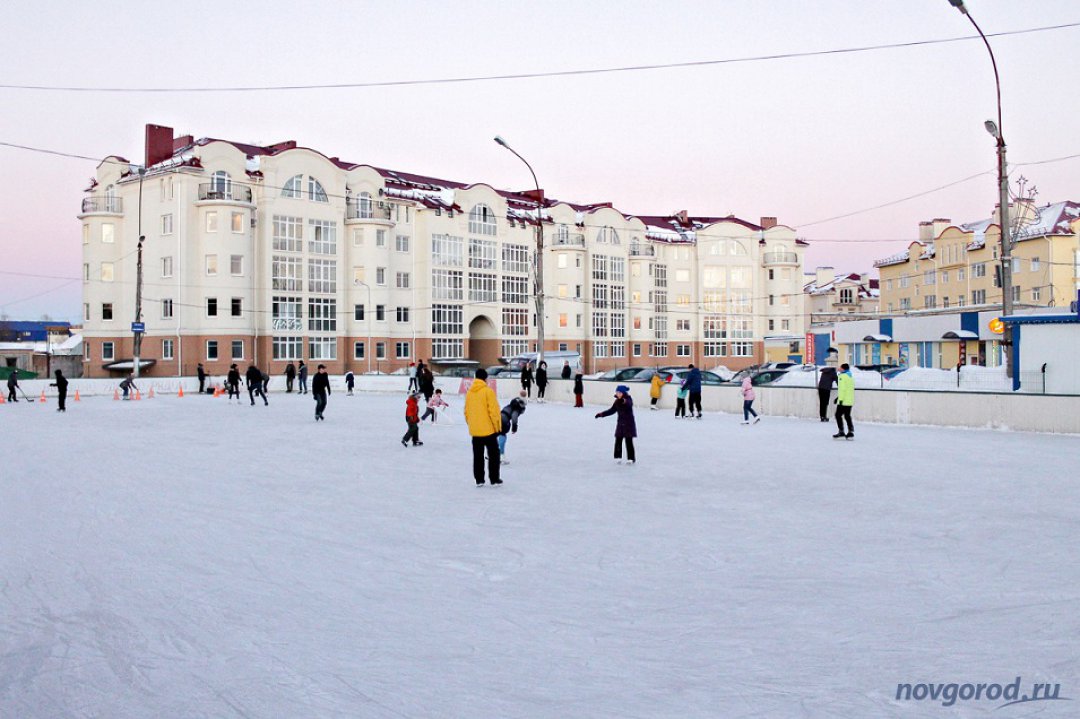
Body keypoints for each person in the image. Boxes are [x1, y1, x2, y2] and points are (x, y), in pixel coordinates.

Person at [464, 368, 502, 486]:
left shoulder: (470, 392)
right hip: (489, 430)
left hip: (475, 431)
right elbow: (494, 412)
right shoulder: (488, 391)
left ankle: (479, 479)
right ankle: (494, 478)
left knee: (478, 456)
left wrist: (471, 424)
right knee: (494, 455)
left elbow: (466, 411)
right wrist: (497, 427)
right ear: (485, 378)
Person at [595, 384, 637, 464]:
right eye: (617, 392)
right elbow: (612, 410)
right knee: (618, 440)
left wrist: (623, 401)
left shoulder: (628, 399)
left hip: (628, 424)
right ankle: (618, 457)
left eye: (619, 392)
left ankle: (631, 458)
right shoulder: (617, 401)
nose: (618, 394)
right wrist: (601, 414)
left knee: (628, 441)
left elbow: (628, 403)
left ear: (623, 393)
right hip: (620, 424)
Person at [497, 391, 527, 464]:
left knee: (498, 434)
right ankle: (500, 455)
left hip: (498, 417)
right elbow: (514, 417)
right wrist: (514, 428)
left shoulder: (512, 403)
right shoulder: (518, 408)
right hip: (504, 420)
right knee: (502, 434)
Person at [834, 363, 855, 440]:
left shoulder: (842, 377)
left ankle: (841, 431)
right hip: (849, 400)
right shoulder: (850, 376)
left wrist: (840, 399)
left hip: (844, 401)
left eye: (840, 367)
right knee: (847, 415)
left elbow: (842, 389)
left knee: (838, 415)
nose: (839, 368)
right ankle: (850, 431)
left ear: (843, 369)